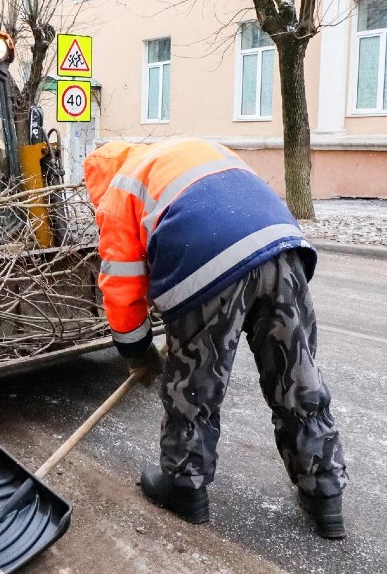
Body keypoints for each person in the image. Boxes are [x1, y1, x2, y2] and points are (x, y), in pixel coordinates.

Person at [83, 138, 348, 539]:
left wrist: (137, 352)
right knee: (297, 375)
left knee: (195, 386)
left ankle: (185, 488)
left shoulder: (119, 190)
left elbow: (121, 287)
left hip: (204, 258)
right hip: (280, 244)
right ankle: (324, 494)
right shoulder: (189, 149)